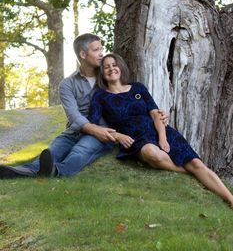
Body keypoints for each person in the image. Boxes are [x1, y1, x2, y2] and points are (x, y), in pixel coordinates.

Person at [0, 33, 169, 179]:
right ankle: (22, 171)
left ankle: (57, 172)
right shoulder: (67, 84)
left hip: (104, 133)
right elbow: (74, 116)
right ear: (83, 54)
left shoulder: (108, 77)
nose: (101, 54)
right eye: (96, 50)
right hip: (75, 131)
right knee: (52, 152)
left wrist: (158, 114)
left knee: (80, 151)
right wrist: (94, 129)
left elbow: (132, 99)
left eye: (101, 49)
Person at [88, 53, 233, 207]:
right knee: (152, 153)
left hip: (159, 131)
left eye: (114, 64)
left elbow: (155, 113)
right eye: (106, 67)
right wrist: (117, 136)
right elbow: (93, 125)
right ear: (102, 73)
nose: (111, 69)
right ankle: (192, 174)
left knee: (197, 163)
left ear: (121, 67)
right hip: (136, 138)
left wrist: (162, 137)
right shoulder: (100, 96)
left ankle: (230, 198)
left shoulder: (138, 88)